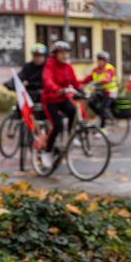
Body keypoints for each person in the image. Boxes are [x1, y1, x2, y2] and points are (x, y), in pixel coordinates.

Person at [40, 41, 84, 169]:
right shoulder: (49, 64)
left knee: (73, 111)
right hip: (50, 99)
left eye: (67, 53)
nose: (65, 55)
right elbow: (47, 80)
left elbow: (75, 81)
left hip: (63, 98)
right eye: (62, 53)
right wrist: (56, 88)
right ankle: (46, 153)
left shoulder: (68, 66)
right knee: (57, 125)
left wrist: (81, 90)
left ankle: (70, 137)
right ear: (56, 54)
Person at [86, 50, 118, 126]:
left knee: (102, 109)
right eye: (99, 60)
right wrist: (78, 83)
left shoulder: (109, 68)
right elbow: (87, 78)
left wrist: (101, 82)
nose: (99, 62)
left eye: (102, 60)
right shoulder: (96, 70)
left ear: (105, 61)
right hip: (100, 92)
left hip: (109, 92)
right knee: (91, 103)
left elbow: (108, 78)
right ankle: (101, 116)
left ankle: (103, 128)